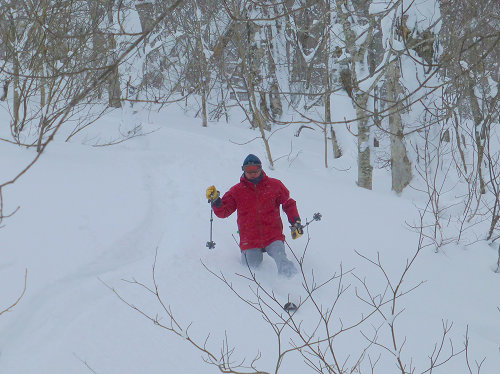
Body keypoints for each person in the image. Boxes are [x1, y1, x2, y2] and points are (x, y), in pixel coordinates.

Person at [206, 154, 303, 277]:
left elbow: (288, 203)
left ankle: (294, 283)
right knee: (251, 271)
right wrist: (216, 202)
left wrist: (296, 222)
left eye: (255, 169)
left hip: (273, 235)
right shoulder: (237, 191)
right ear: (244, 170)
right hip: (250, 239)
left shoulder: (275, 185)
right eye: (248, 170)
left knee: (281, 258)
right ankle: (260, 291)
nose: (252, 173)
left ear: (261, 168)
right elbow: (223, 212)